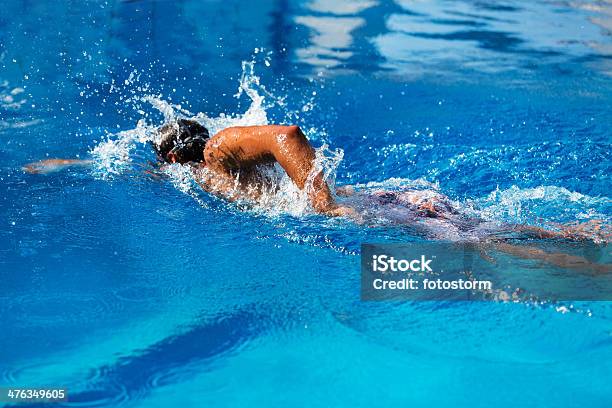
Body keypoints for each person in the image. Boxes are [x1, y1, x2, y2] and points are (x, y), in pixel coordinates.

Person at [24, 119, 609, 246]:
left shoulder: (218, 151)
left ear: (181, 155)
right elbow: (130, 163)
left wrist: (319, 200)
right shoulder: (200, 169)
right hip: (393, 201)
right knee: (511, 231)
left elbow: (285, 134)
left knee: (496, 250)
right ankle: (589, 234)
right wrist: (62, 166)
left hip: (379, 211)